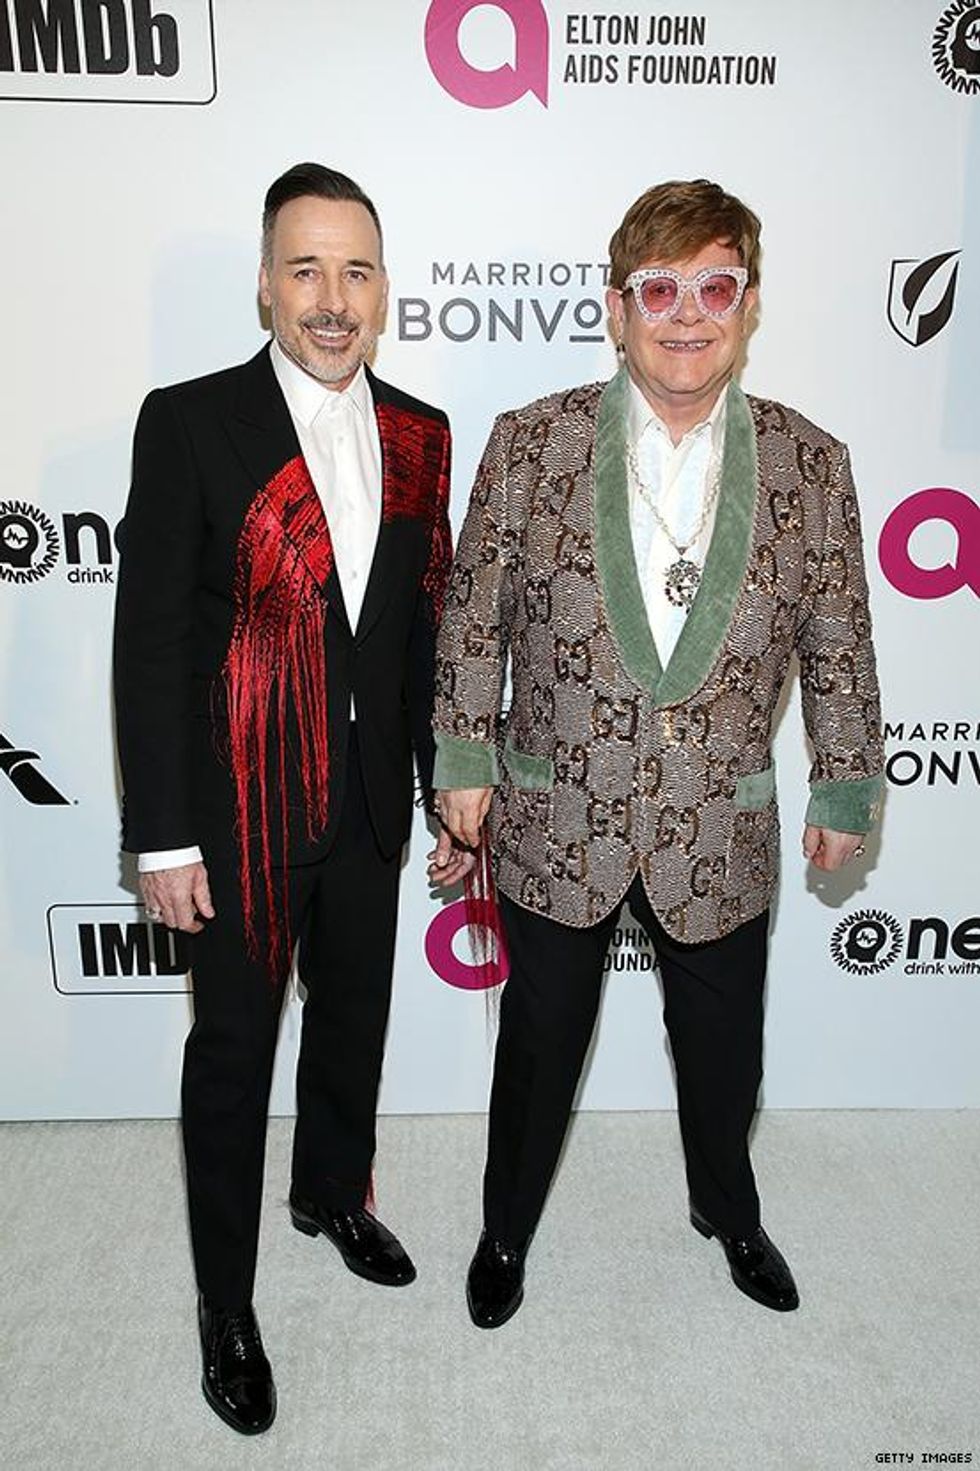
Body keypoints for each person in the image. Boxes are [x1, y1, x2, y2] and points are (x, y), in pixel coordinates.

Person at [429, 179, 883, 1329]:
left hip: (719, 823)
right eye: (660, 289)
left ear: (748, 305)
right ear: (616, 307)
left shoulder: (808, 463)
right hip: (554, 816)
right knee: (535, 1053)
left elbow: (836, 636)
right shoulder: (529, 444)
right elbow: (473, 618)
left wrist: (843, 779)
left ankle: (728, 1211)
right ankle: (504, 1230)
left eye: (715, 287)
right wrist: (464, 761)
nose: (688, 314)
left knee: (724, 1057)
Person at [114, 163, 455, 1433]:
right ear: (263, 284)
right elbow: (149, 641)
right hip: (238, 812)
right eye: (305, 268)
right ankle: (226, 1302)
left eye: (355, 271)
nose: (331, 297)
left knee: (353, 1024)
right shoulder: (190, 421)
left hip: (368, 806)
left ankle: (331, 1193)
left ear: (383, 290)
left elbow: (418, 633)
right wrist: (161, 830)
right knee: (233, 1058)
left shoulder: (421, 432)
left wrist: (439, 786)